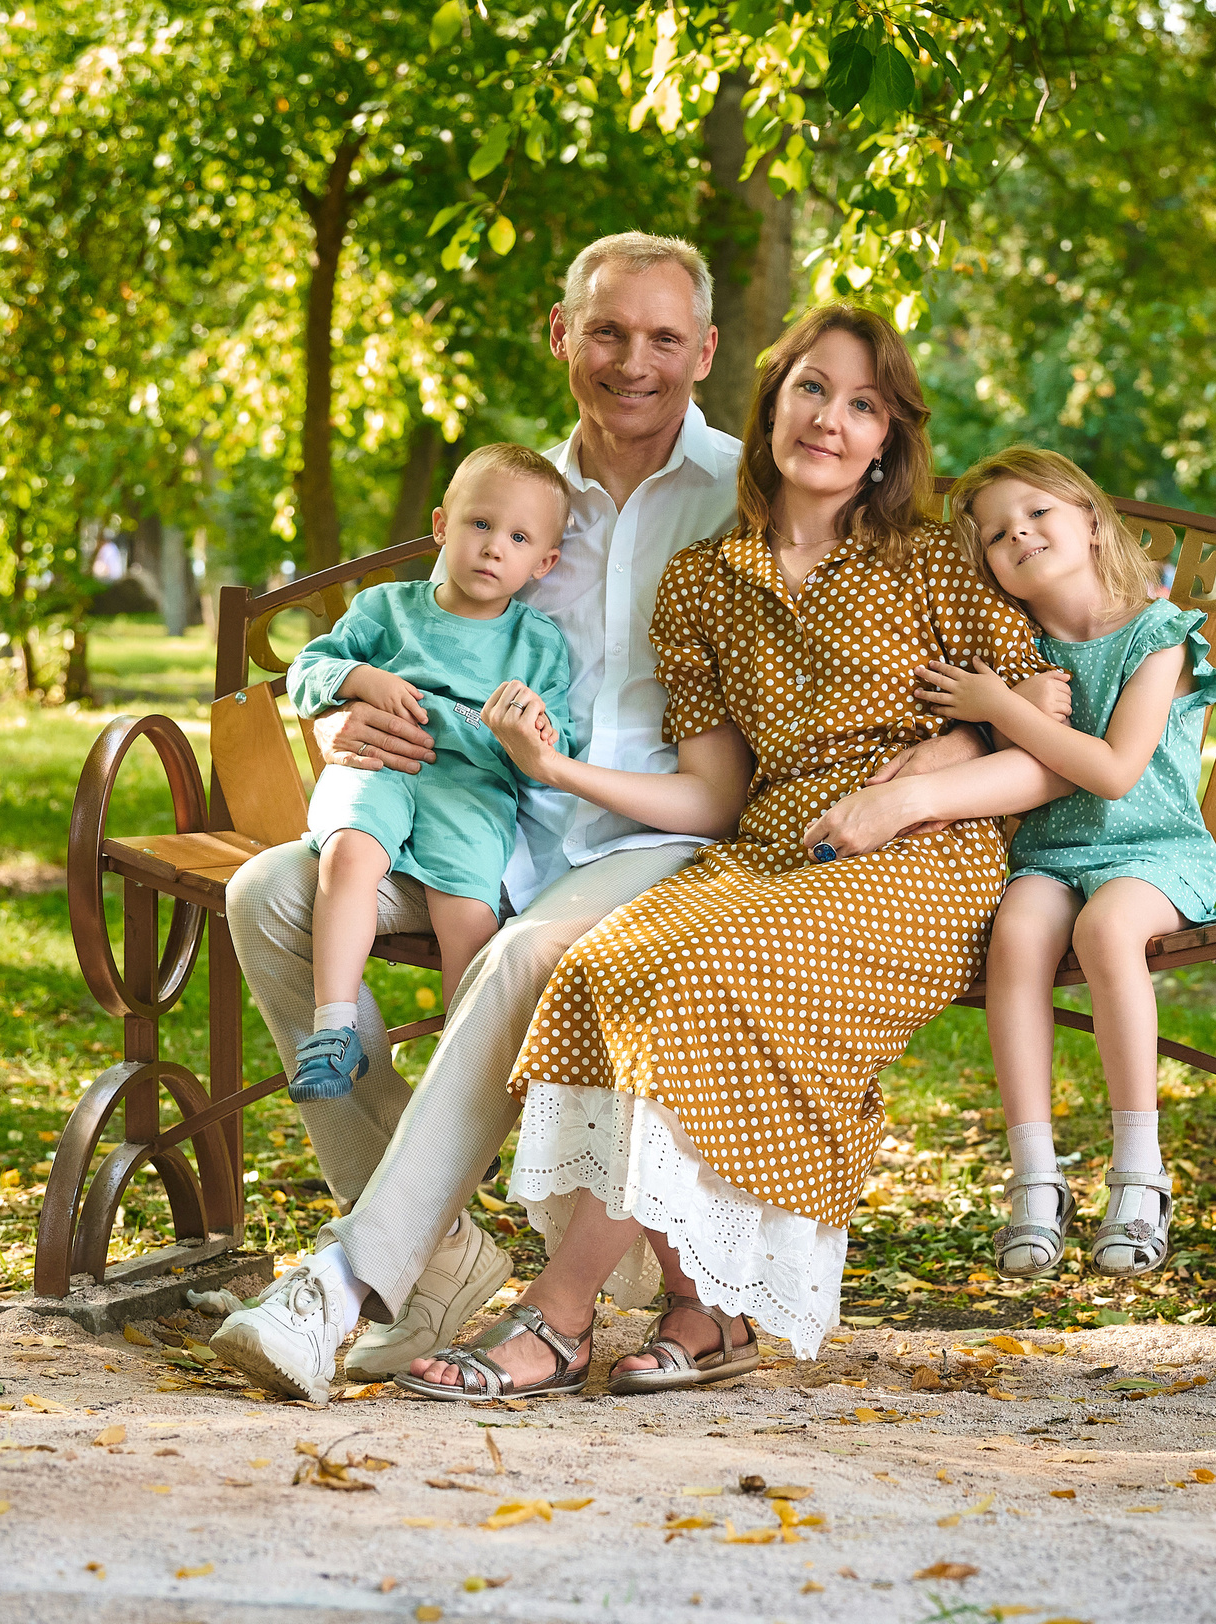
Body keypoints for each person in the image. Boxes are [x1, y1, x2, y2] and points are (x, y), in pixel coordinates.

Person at [209, 235, 995, 1403]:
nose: (635, 362)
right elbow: (413, 635)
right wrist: (348, 719)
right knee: (267, 894)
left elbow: (887, 661)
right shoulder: (514, 497)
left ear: (707, 352)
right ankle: (435, 1250)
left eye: (665, 338)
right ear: (560, 334)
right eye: (608, 332)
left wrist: (939, 762)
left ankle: (348, 1282)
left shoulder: (745, 492)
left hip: (658, 844)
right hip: (482, 816)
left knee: (527, 953)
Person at [395, 305, 1061, 1402]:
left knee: (706, 977)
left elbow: (1045, 739)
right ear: (771, 403)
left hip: (925, 857)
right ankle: (707, 1312)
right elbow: (715, 784)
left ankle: (557, 1318)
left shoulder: (932, 562)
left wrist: (914, 793)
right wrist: (555, 769)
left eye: (863, 405)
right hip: (767, 847)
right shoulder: (702, 580)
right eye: (812, 389)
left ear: (887, 438)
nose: (831, 421)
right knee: (604, 967)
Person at [813, 448, 1216, 1280]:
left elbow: (1113, 772)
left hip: (1154, 850)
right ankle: (1036, 1179)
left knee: (1108, 929)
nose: (1021, 533)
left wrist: (1000, 706)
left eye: (1039, 512)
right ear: (989, 568)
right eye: (997, 534)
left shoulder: (1158, 636)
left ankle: (1140, 1175)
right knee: (1015, 936)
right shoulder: (1019, 650)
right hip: (1050, 853)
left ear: (1091, 520)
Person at [281, 449, 578, 1103]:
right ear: (442, 525)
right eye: (480, 524)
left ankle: (457, 1075)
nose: (494, 547)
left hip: (472, 785)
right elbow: (308, 670)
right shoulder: (387, 609)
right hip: (383, 764)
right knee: (349, 853)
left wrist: (534, 730)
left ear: (544, 563)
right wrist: (360, 678)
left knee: (467, 911)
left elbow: (557, 741)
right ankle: (333, 1030)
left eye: (519, 538)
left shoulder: (536, 643)